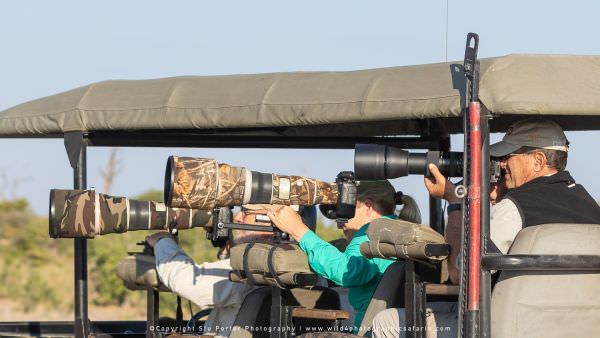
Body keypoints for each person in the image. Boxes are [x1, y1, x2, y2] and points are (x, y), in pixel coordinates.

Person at [371, 118, 600, 338]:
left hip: (506, 326)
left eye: (508, 156)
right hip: (571, 326)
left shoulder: (514, 208)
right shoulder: (591, 208)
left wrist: (455, 202)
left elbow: (459, 276)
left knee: (387, 322)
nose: (501, 164)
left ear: (538, 160)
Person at [145, 206, 317, 337]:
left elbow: (183, 279)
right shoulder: (310, 268)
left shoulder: (254, 269)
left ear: (277, 221)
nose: (237, 217)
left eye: (246, 212)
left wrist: (163, 241)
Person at [267, 180, 410, 332]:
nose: (338, 223)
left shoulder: (372, 233)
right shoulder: (396, 231)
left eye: (345, 211)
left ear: (368, 207)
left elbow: (345, 271)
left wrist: (298, 230)